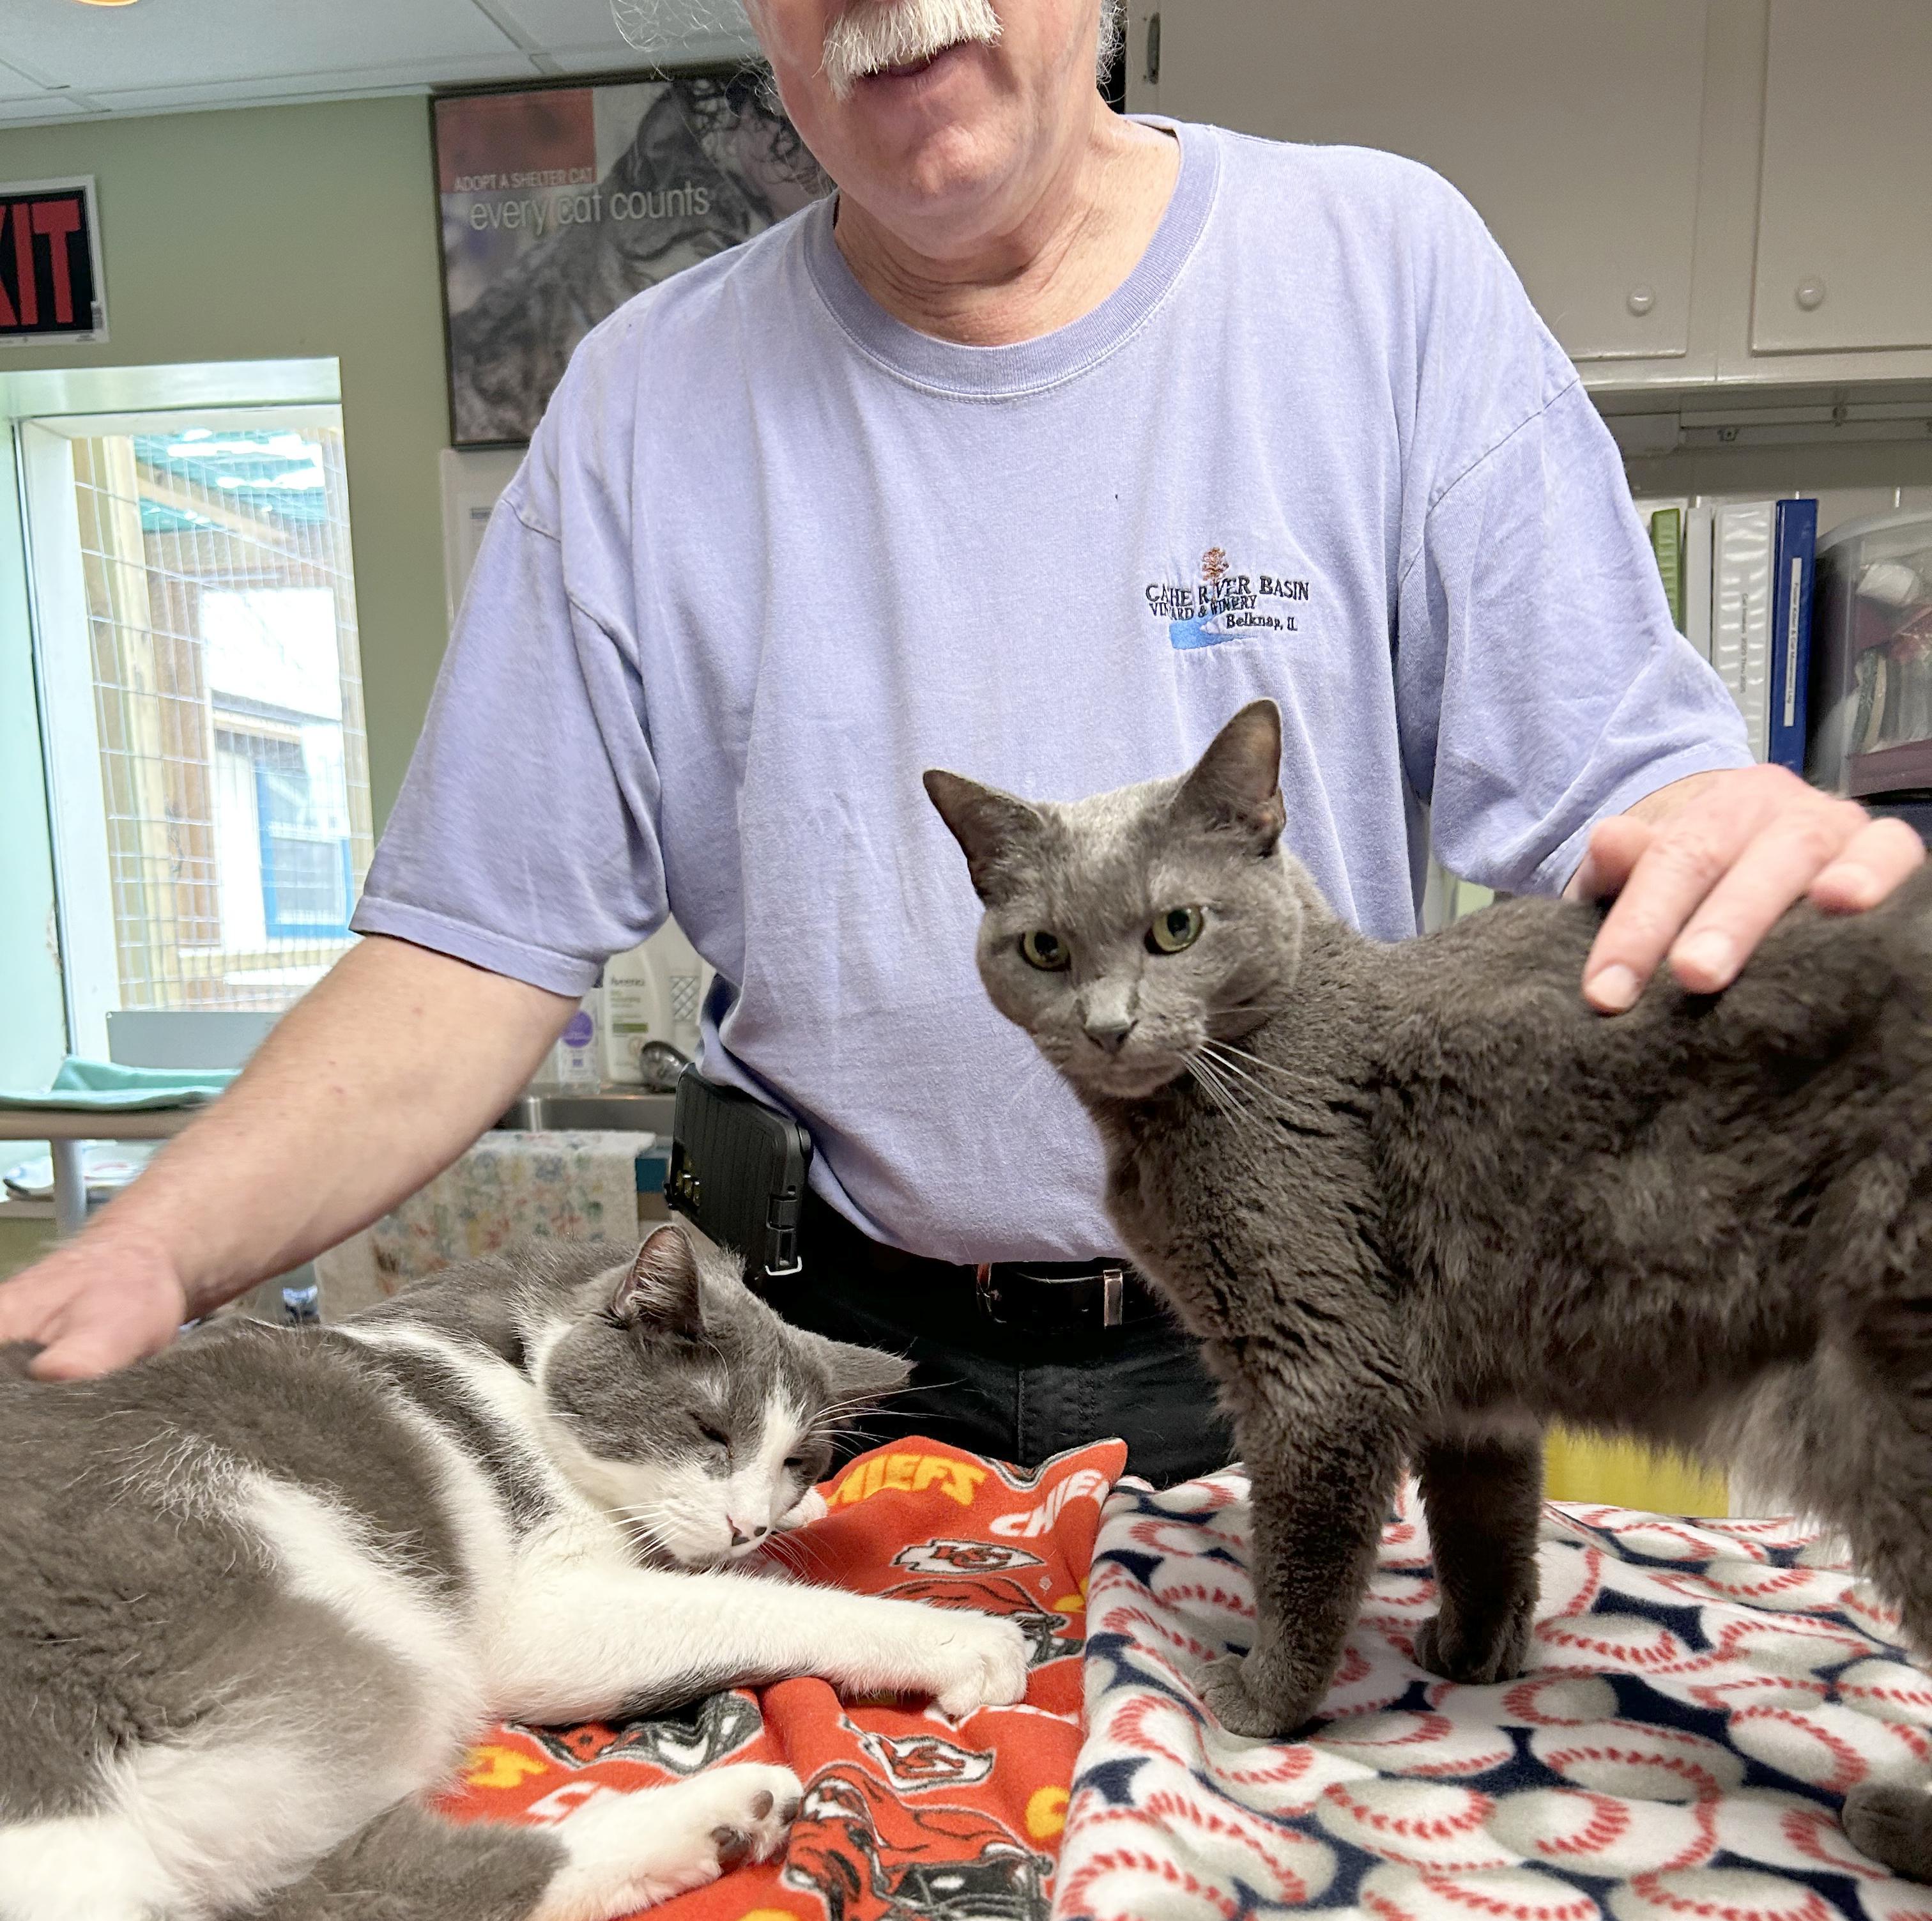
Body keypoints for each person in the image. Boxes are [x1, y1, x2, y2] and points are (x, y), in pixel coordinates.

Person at [1, 0, 1920, 1489]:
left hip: (1301, 1312)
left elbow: (1628, 803)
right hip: (817, 1362)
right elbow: (464, 952)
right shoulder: (642, 406)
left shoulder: (1381, 268)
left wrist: (1720, 822)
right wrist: (150, 1251)